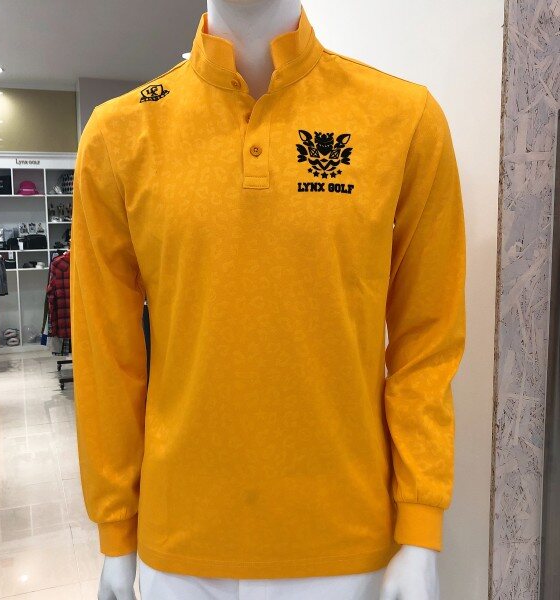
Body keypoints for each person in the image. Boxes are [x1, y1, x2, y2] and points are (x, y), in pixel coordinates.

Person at [70, 1, 466, 598]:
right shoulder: (118, 132)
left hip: (347, 545)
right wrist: (116, 531)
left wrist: (421, 525)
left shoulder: (403, 118)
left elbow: (427, 343)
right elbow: (107, 357)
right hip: (180, 548)